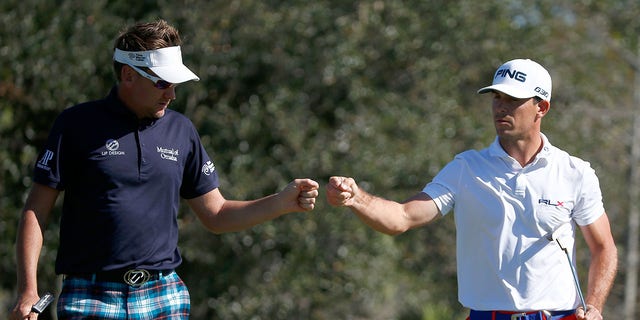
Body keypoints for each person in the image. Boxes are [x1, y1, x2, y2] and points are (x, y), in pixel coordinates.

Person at [11, 19, 319, 320]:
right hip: (91, 297)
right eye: (162, 83)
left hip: (163, 296)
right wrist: (28, 291)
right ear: (128, 75)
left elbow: (217, 214)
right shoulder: (76, 124)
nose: (171, 94)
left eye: (175, 85)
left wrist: (280, 202)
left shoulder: (182, 130)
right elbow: (36, 211)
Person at [326, 59, 617, 320]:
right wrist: (356, 198)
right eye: (496, 97)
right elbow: (402, 217)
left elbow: (603, 248)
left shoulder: (575, 172)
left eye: (512, 99)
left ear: (541, 107)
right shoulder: (466, 168)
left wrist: (594, 306)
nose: (500, 106)